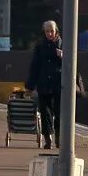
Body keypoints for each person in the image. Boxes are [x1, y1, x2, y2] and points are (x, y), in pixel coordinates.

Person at [27, 20, 66, 149]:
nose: (50, 33)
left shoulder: (63, 44)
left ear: (56, 31)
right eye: (47, 31)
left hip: (59, 83)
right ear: (44, 32)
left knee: (59, 112)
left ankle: (59, 137)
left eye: (52, 31)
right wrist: (30, 85)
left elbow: (72, 65)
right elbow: (35, 66)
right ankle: (48, 137)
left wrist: (63, 57)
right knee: (45, 112)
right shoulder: (40, 46)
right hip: (44, 82)